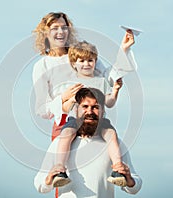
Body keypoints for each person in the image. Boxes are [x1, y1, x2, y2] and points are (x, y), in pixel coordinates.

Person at [32, 12, 137, 141]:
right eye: (55, 28)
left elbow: (107, 77)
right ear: (45, 33)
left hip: (93, 118)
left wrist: (123, 50)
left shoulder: (82, 54)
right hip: (65, 122)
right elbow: (42, 109)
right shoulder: (42, 66)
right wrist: (63, 98)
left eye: (64, 27)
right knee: (57, 157)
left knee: (116, 149)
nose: (61, 31)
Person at [34, 88, 142, 198]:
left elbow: (135, 187)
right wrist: (48, 179)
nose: (90, 112)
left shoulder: (114, 144)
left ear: (103, 111)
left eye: (95, 107)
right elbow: (39, 184)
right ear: (76, 110)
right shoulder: (60, 142)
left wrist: (129, 179)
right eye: (85, 106)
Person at [52, 41, 126, 188]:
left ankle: (118, 168)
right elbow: (65, 109)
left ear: (95, 62)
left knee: (111, 134)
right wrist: (72, 99)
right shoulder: (70, 84)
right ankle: (59, 169)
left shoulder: (101, 81)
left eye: (90, 60)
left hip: (98, 120)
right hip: (76, 119)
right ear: (74, 63)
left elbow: (109, 103)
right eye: (82, 61)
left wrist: (116, 90)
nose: (86, 64)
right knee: (66, 133)